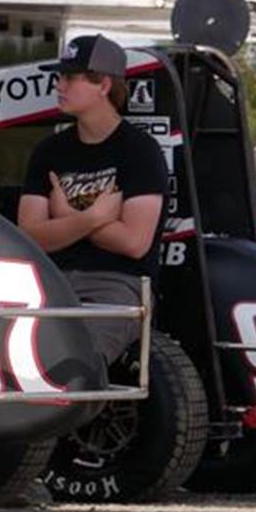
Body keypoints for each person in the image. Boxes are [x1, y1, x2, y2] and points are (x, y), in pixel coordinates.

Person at [18, 34, 167, 364]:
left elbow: (134, 243)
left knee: (79, 361)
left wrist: (65, 215)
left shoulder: (140, 150)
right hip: (51, 280)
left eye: (70, 78)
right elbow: (31, 236)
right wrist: (92, 217)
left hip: (116, 285)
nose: (59, 85)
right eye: (60, 77)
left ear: (103, 85)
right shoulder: (49, 151)